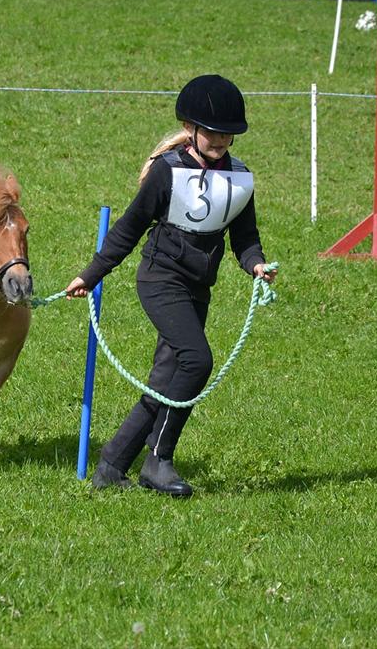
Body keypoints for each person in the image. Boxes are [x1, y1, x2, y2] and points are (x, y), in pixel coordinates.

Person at [65, 74, 276, 498]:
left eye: (228, 135)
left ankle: (111, 465)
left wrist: (255, 265)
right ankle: (158, 460)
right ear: (192, 129)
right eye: (213, 133)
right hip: (160, 279)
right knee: (196, 361)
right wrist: (91, 274)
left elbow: (245, 238)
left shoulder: (239, 178)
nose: (220, 141)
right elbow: (127, 230)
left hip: (199, 286)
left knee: (167, 377)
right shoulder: (168, 172)